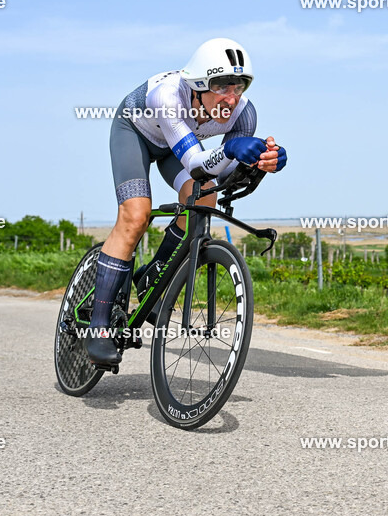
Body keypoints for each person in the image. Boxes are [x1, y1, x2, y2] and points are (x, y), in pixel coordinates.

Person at [85, 38, 287, 365]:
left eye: (238, 87)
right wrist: (231, 151)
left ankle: (155, 271)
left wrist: (261, 161)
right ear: (196, 86)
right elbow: (196, 163)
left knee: (205, 196)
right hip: (134, 134)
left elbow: (221, 176)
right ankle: (98, 327)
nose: (231, 97)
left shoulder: (244, 112)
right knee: (136, 215)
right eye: (221, 86)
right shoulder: (167, 96)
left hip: (172, 148)